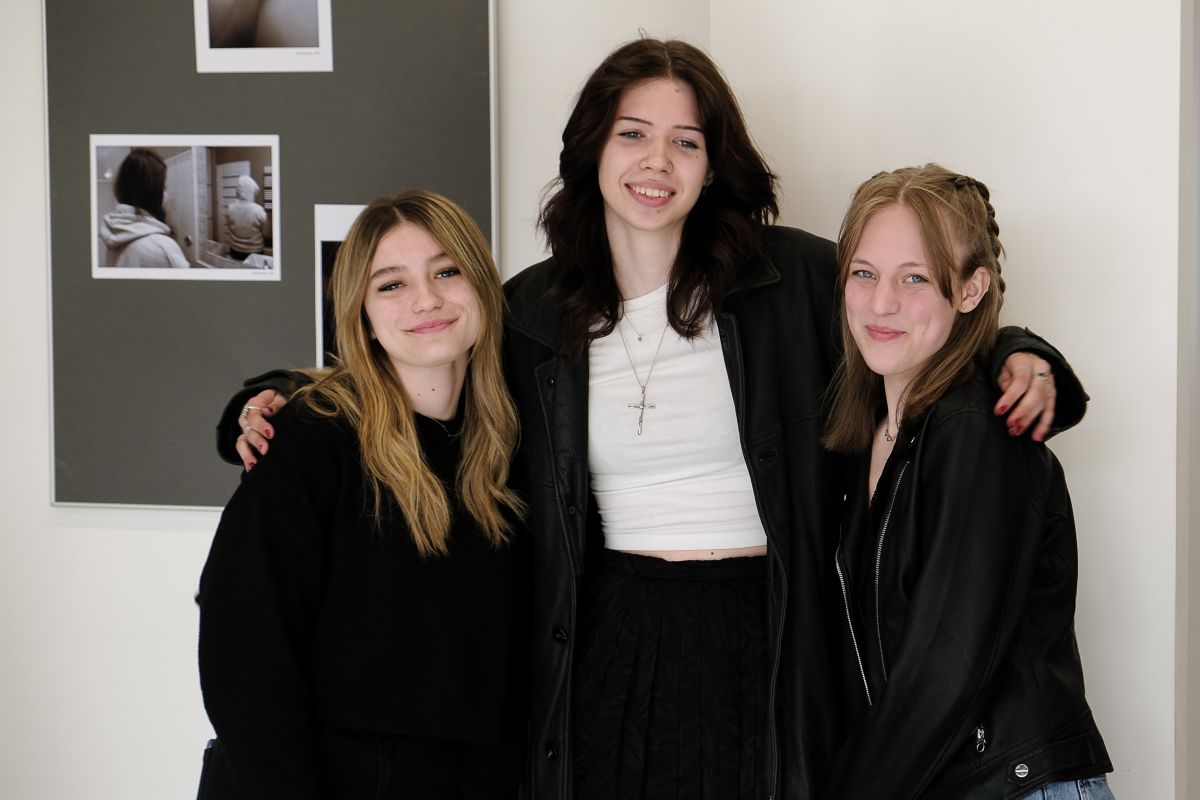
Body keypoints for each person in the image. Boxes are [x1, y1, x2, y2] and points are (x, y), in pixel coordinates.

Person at [220, 39, 1085, 799]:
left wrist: (1027, 352)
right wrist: (268, 396)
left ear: (713, 163)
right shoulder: (532, 310)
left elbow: (913, 318)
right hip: (604, 639)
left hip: (773, 636)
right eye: (633, 133)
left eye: (686, 141)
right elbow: (415, 365)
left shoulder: (794, 280)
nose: (657, 161)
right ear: (594, 148)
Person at [197, 190, 527, 799]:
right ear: (362, 315)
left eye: (446, 272)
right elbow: (243, 656)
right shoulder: (311, 439)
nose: (426, 300)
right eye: (391, 284)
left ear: (483, 285)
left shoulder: (516, 441)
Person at [821, 165, 1112, 799]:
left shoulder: (977, 429)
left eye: (916, 278)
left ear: (972, 288)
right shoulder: (874, 432)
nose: (881, 302)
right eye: (864, 273)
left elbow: (946, 665)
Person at [99, 148, 190, 269]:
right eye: (164, 188)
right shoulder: (163, 248)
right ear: (152, 192)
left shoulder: (115, 231)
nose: (166, 195)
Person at [225, 174, 270, 261]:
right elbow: (265, 234)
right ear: (251, 191)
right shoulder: (259, 210)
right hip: (254, 252)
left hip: (235, 251)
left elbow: (230, 228)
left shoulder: (230, 208)